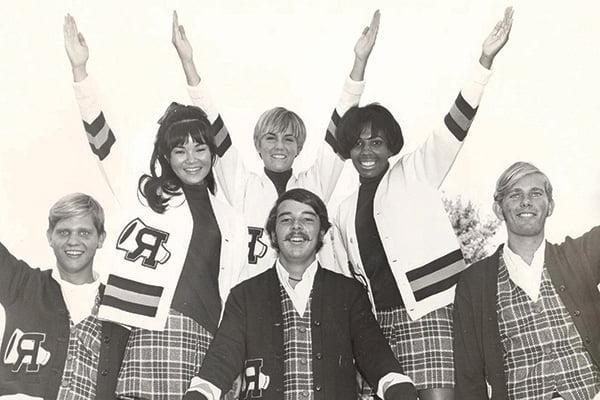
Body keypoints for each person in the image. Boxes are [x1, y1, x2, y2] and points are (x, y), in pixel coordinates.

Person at [332, 7, 514, 400]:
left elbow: (455, 125)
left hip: (432, 314)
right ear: (349, 150)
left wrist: (484, 61)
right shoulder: (344, 210)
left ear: (390, 147)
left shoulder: (416, 172)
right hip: (380, 328)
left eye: (376, 142)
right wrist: (358, 62)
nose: (367, 151)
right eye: (359, 143)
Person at [64, 15, 246, 399]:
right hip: (149, 329)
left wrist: (190, 66)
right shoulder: (147, 192)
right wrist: (81, 73)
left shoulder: (229, 211)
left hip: (209, 339)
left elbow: (218, 128)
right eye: (179, 150)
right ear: (166, 155)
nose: (191, 158)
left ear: (213, 152)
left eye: (200, 148)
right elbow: (104, 145)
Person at [171, 10, 379, 277]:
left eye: (288, 138)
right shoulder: (241, 184)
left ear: (299, 147)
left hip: (307, 299)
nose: (279, 146)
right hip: (255, 303)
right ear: (258, 145)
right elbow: (212, 124)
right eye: (271, 138)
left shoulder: (313, 184)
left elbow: (340, 125)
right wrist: (188, 63)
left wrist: (359, 62)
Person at [183, 188, 418, 400]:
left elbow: (375, 353)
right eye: (286, 220)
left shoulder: (349, 293)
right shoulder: (244, 295)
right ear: (273, 234)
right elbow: (220, 361)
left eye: (307, 219)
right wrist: (201, 393)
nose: (296, 227)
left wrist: (397, 386)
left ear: (322, 232)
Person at [453, 162, 600, 400]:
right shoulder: (475, 281)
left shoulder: (577, 255)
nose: (526, 201)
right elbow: (469, 374)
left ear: (550, 206)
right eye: (515, 194)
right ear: (499, 209)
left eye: (536, 193)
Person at [0, 193, 130, 400]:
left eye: (84, 233)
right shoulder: (24, 284)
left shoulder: (121, 305)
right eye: (63, 232)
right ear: (50, 236)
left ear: (101, 238)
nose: (73, 241)